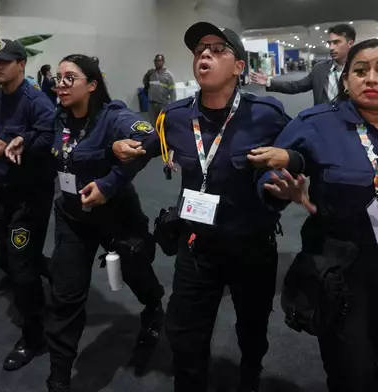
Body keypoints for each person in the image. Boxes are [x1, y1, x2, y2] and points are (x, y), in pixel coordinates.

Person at [250, 38, 378, 392]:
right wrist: (278, 187)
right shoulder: (315, 123)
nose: (370, 78)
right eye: (360, 71)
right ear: (346, 81)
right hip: (338, 264)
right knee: (349, 371)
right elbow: (273, 167)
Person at [114, 22, 290, 392]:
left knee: (252, 326)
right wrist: (116, 157)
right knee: (185, 334)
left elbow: (301, 153)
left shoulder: (267, 114)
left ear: (239, 66)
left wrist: (294, 176)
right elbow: (142, 151)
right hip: (196, 245)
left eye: (217, 49)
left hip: (251, 245)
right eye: (199, 50)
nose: (204, 54)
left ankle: (250, 372)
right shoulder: (175, 116)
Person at [41, 54, 165, 392]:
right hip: (71, 215)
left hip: (116, 216)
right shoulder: (59, 118)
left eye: (70, 78)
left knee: (137, 273)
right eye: (58, 78)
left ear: (92, 85)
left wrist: (111, 170)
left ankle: (154, 306)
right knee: (64, 294)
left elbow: (150, 137)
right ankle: (60, 376)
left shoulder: (113, 116)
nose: (60, 85)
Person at [0, 39, 56, 371]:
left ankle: (35, 338)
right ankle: (53, 278)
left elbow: (48, 138)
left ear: (21, 64)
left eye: (5, 61)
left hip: (30, 196)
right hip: (3, 189)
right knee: (9, 259)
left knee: (20, 267)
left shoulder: (36, 101)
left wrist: (24, 143)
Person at [250, 24, 378, 105]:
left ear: (350, 43)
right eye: (329, 42)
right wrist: (269, 81)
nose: (331, 47)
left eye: (336, 42)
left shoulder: (364, 69)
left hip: (355, 125)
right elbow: (296, 86)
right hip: (323, 123)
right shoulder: (320, 69)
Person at [143, 54, 176, 125]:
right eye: (155, 61)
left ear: (163, 62)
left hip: (163, 104)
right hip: (152, 104)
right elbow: (145, 83)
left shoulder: (168, 75)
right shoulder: (151, 73)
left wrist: (173, 105)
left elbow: (172, 91)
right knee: (153, 124)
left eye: (158, 61)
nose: (156, 62)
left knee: (163, 124)